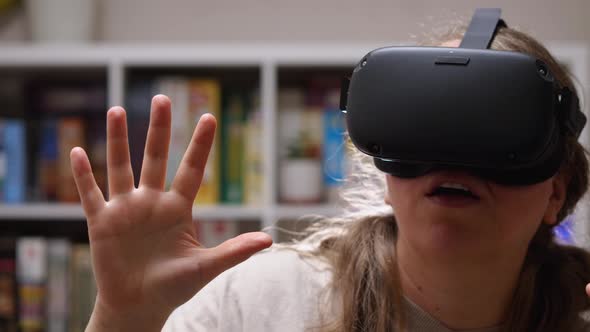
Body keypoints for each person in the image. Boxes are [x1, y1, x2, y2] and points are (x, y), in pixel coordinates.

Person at [73, 21, 590, 332]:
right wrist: (123, 318)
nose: (452, 157)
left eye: (493, 125)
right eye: (425, 119)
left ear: (556, 191)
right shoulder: (261, 304)